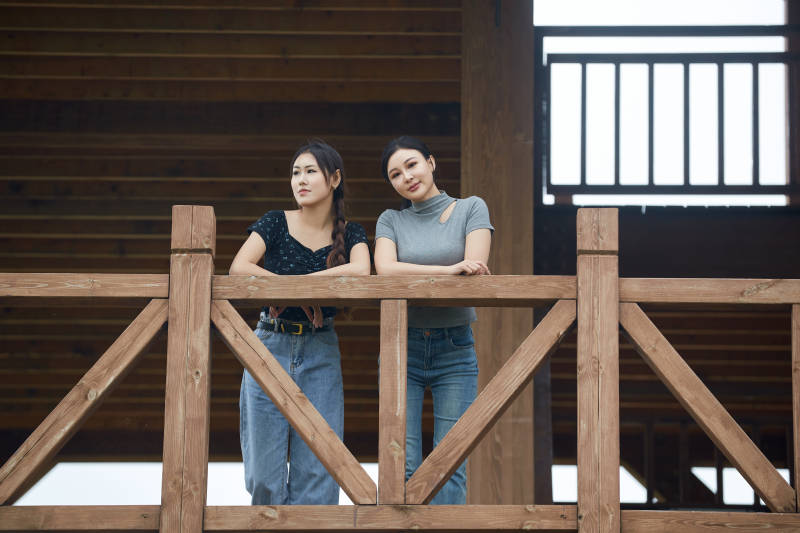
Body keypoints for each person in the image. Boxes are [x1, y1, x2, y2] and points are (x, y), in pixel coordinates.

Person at [230, 140, 370, 505]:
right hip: (268, 345)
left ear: (335, 178)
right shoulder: (275, 221)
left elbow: (360, 270)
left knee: (319, 476)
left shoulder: (351, 233)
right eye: (295, 173)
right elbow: (239, 268)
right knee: (264, 478)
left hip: (320, 347)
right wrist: (299, 290)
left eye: (310, 171)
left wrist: (296, 287)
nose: (300, 180)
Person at [373, 136, 493, 504]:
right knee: (401, 465)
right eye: (395, 174)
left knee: (450, 465)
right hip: (401, 347)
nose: (406, 177)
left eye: (411, 165)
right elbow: (385, 271)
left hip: (454, 347)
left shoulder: (471, 208)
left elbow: (474, 271)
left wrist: (453, 271)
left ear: (431, 162)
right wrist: (448, 269)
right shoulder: (390, 219)